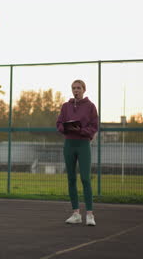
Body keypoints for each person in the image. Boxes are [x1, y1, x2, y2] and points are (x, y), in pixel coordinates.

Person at [56, 79, 98, 226]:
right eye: (74, 88)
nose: (76, 90)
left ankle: (90, 215)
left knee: (85, 179)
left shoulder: (90, 107)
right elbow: (59, 124)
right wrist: (66, 128)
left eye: (79, 88)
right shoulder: (65, 106)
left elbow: (94, 127)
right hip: (69, 144)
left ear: (84, 89)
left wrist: (80, 130)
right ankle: (76, 214)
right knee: (71, 179)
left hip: (83, 145)